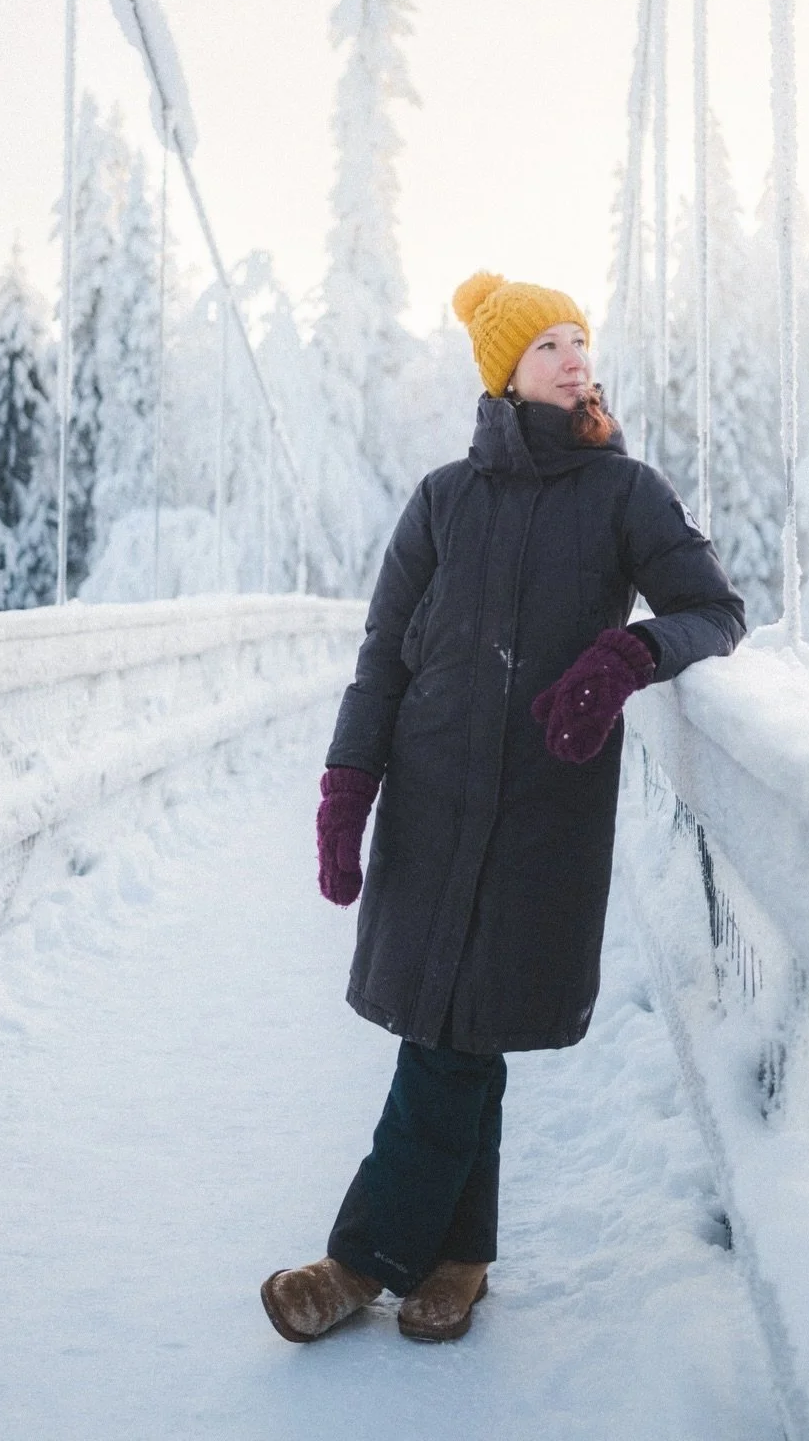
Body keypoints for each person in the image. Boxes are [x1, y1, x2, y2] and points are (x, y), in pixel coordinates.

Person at [261, 271, 746, 1345]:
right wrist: (348, 786)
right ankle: (459, 1257)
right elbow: (383, 657)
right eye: (548, 345)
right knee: (454, 1031)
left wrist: (628, 655)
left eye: (580, 339)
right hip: (431, 800)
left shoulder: (627, 494)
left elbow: (716, 611)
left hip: (540, 811)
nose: (575, 359)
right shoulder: (442, 500)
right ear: (505, 374)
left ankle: (357, 1263)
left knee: (451, 1038)